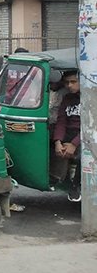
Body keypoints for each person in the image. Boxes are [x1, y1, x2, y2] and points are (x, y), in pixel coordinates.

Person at [51, 71, 81, 202]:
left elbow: (92, 125)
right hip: (69, 133)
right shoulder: (67, 99)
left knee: (83, 157)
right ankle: (58, 178)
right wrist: (58, 141)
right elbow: (61, 121)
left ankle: (75, 186)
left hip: (85, 135)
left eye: (73, 82)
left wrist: (74, 144)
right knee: (52, 146)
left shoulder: (91, 97)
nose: (69, 85)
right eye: (67, 82)